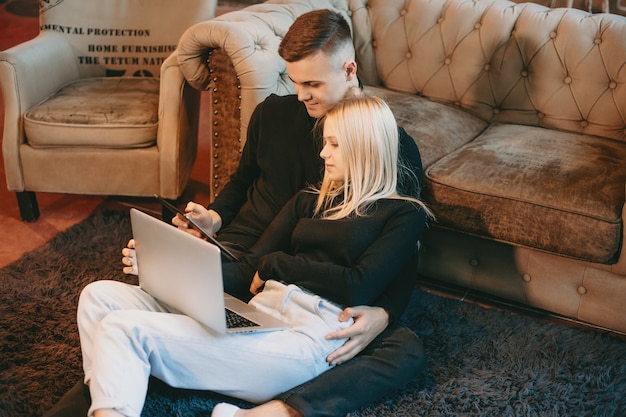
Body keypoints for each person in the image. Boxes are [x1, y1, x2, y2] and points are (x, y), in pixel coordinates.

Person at [43, 9, 427, 417]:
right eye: (295, 82)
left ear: (349, 70)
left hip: (291, 296)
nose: (301, 95)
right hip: (242, 264)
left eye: (312, 83)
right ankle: (110, 386)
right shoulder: (276, 119)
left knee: (406, 348)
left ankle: (130, 374)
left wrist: (384, 314)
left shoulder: (389, 152)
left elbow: (398, 254)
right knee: (100, 297)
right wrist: (201, 232)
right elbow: (241, 187)